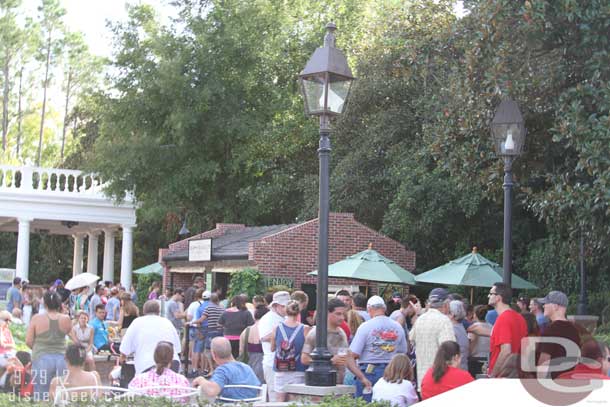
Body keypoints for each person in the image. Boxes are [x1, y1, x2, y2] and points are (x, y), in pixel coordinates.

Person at [348, 295, 408, 401]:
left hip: (369, 371)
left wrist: (361, 377)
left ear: (369, 309)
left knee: (366, 403)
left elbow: (353, 354)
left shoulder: (365, 326)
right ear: (384, 309)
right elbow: (403, 351)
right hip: (392, 371)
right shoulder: (397, 327)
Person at [26, 291, 72, 401]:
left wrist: (37, 348)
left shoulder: (36, 318)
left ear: (45, 304)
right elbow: (75, 339)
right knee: (60, 395)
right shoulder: (66, 319)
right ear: (59, 304)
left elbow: (28, 341)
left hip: (41, 357)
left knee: (41, 394)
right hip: (61, 358)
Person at [409, 288, 456, 391]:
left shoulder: (420, 319)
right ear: (446, 304)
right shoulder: (444, 321)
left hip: (422, 379)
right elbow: (449, 349)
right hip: (440, 379)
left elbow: (411, 338)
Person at [119, 300, 182, 375]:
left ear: (144, 311)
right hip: (172, 363)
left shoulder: (137, 322)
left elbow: (125, 347)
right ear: (159, 311)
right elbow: (177, 348)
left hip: (146, 364)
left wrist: (122, 357)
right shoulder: (167, 322)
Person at [193, 337, 261, 401]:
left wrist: (200, 380)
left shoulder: (223, 370)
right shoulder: (246, 367)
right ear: (230, 351)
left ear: (214, 354)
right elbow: (258, 388)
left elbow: (212, 390)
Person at [302, 298, 349, 383]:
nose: (342, 317)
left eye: (343, 314)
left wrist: (361, 376)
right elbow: (304, 359)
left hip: (339, 382)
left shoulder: (342, 333)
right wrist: (330, 362)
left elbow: (346, 358)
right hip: (320, 382)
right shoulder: (315, 333)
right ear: (327, 313)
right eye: (338, 314)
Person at [484, 282, 528, 376]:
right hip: (517, 373)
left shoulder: (503, 318)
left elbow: (506, 350)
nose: (488, 296)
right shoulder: (520, 318)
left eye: (491, 293)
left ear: (498, 297)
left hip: (503, 376)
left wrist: (493, 374)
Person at [271, 300, 310, 401]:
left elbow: (272, 348)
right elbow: (308, 349)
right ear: (298, 312)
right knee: (295, 401)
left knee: (279, 400)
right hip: (298, 368)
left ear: (286, 311)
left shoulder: (277, 327)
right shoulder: (305, 329)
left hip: (280, 369)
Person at [538, 290, 582, 378]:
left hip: (555, 382)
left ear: (555, 306)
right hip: (571, 380)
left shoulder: (551, 330)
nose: (543, 306)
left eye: (546, 303)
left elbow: (544, 362)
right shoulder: (575, 329)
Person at [258, 291, 289, 402]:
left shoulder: (285, 318)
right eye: (283, 306)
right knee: (274, 396)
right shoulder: (267, 319)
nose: (285, 308)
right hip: (272, 362)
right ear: (275, 306)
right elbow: (263, 337)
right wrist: (285, 331)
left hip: (285, 361)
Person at [239, 304, 268, 384]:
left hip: (250, 368)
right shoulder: (268, 331)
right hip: (266, 368)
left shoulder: (246, 331)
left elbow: (241, 352)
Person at [467, 305, 491, 376]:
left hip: (475, 359)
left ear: (474, 315)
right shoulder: (491, 326)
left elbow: (471, 345)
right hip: (488, 358)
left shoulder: (473, 327)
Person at [449, 300, 469, 371]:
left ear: (451, 314)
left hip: (455, 370)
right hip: (463, 368)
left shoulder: (451, 330)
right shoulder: (461, 327)